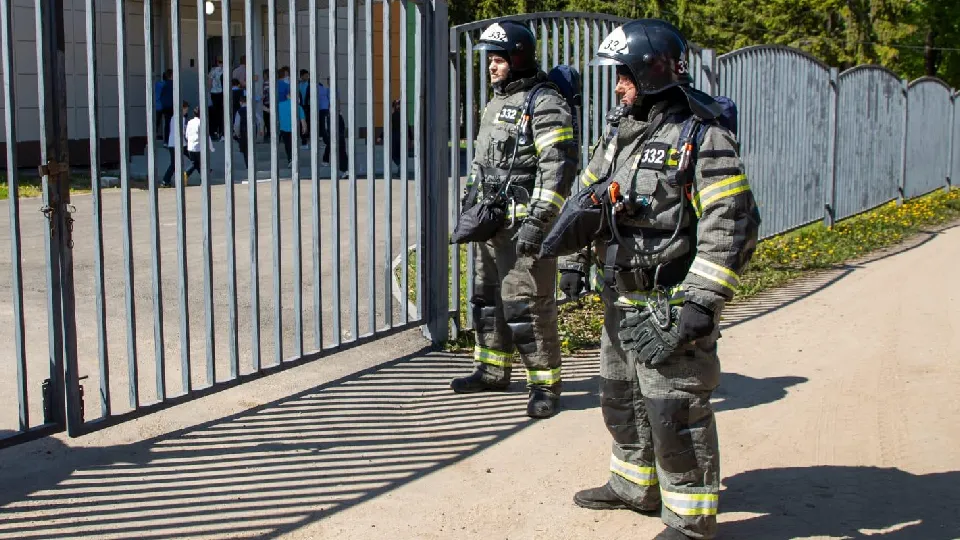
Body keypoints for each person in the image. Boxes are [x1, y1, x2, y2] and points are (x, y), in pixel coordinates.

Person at [561, 19, 760, 540]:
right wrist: (571, 260)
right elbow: (589, 202)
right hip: (621, 297)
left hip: (671, 302)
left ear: (650, 72)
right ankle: (633, 485)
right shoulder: (621, 132)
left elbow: (733, 221)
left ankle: (690, 520)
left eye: (624, 74)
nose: (618, 84)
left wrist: (700, 303)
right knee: (621, 397)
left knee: (674, 409)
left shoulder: (702, 134)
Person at [448, 21, 579, 418]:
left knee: (528, 306)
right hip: (491, 225)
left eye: (499, 58)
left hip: (525, 229)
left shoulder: (544, 103)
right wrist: (472, 202)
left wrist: (539, 223)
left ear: (519, 57)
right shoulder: (494, 103)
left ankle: (545, 386)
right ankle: (491, 369)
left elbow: (559, 167)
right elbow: (483, 161)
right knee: (487, 301)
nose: (492, 65)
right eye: (490, 58)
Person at [161, 100, 190, 188]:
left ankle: (166, 181)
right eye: (186, 109)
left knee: (174, 163)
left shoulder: (173, 117)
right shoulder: (182, 118)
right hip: (180, 144)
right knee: (194, 159)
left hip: (172, 143)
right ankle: (166, 180)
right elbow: (183, 132)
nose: (187, 111)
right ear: (182, 109)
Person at [183, 106, 215, 182]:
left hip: (190, 147)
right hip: (199, 147)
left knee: (196, 163)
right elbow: (207, 136)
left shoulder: (190, 122)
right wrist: (211, 148)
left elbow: (186, 135)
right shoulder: (202, 122)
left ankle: (188, 174)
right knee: (202, 165)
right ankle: (202, 179)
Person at [207, 56, 225, 141]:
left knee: (214, 113)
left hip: (214, 93)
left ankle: (214, 132)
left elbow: (209, 83)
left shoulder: (213, 70)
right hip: (223, 94)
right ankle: (222, 132)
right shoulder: (226, 70)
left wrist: (208, 92)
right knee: (222, 113)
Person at [233, 93, 250, 168]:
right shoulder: (252, 109)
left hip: (243, 133)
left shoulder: (239, 111)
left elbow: (236, 125)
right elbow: (260, 120)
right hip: (251, 133)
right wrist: (261, 130)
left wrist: (237, 134)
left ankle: (247, 166)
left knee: (245, 151)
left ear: (241, 102)